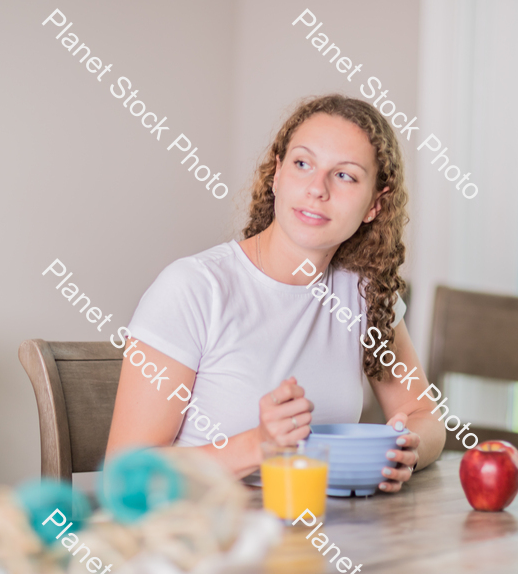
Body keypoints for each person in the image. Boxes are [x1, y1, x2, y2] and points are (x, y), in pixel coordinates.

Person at [106, 94, 445, 492]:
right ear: (277, 173)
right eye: (303, 164)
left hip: (318, 538)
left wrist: (407, 448)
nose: (317, 188)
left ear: (375, 204)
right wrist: (259, 444)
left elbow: (421, 413)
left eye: (345, 176)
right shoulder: (194, 289)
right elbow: (125, 477)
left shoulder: (364, 295)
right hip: (201, 537)